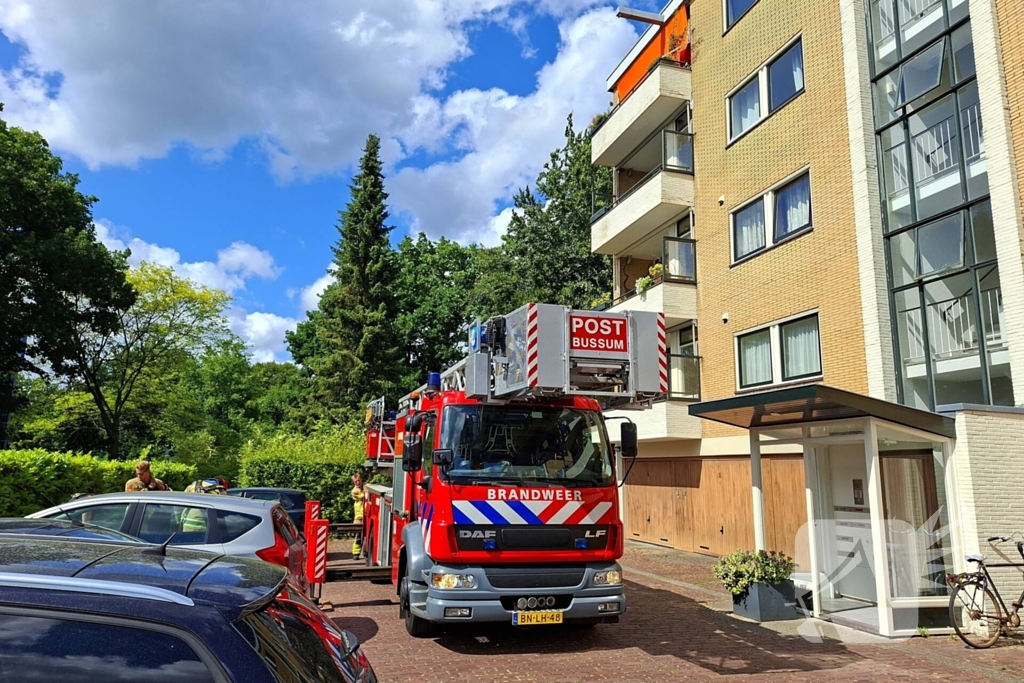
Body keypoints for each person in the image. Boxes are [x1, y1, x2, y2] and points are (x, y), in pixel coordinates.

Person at [351, 473, 365, 559]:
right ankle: (355, 553)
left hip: (365, 516)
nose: (358, 482)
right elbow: (362, 496)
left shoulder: (364, 487)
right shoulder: (354, 491)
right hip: (358, 517)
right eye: (356, 481)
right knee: (358, 536)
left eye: (359, 480)